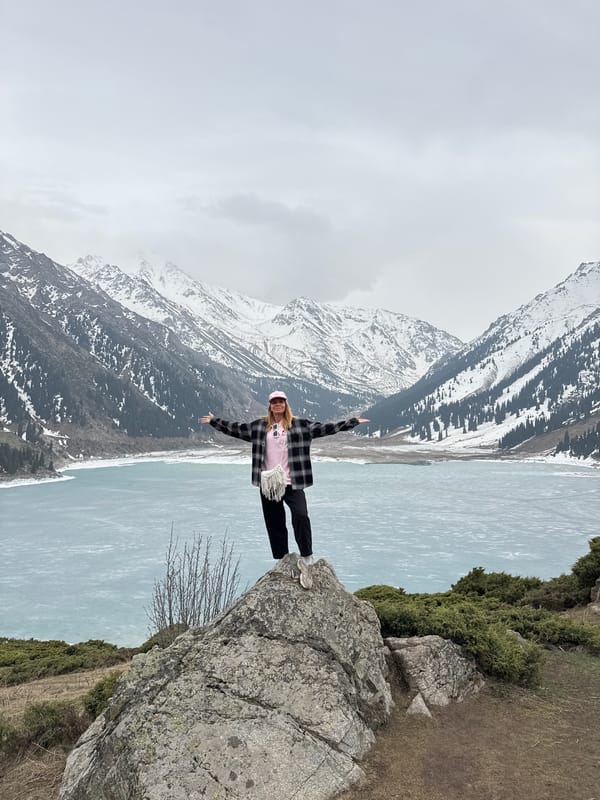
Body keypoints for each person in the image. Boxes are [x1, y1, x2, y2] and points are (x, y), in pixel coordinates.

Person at [200, 391, 369, 589]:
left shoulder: (299, 425)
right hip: (269, 483)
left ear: (286, 404)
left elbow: (325, 428)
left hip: (292, 481)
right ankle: (283, 559)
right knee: (275, 523)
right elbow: (235, 429)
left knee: (301, 515)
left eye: (280, 402)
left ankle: (307, 556)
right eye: (274, 402)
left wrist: (352, 422)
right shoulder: (259, 426)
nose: (277, 405)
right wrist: (214, 421)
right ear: (270, 405)